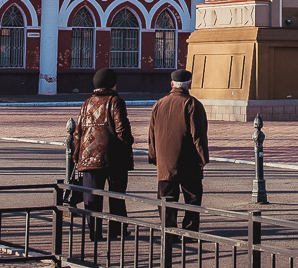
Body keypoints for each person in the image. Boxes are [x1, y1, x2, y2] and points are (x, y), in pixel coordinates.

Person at [73, 68, 134, 241]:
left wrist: (77, 156)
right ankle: (117, 230)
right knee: (116, 196)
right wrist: (128, 142)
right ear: (113, 84)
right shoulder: (116, 101)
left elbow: (77, 133)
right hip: (114, 158)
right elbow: (122, 129)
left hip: (88, 158)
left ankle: (94, 232)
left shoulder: (87, 103)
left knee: (92, 197)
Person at [147, 68, 208, 232]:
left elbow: (152, 134)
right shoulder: (192, 104)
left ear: (172, 84)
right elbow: (199, 135)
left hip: (165, 163)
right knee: (193, 198)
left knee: (166, 198)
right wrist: (203, 158)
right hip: (189, 162)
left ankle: (168, 230)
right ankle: (189, 230)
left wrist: (153, 156)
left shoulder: (159, 104)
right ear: (189, 84)